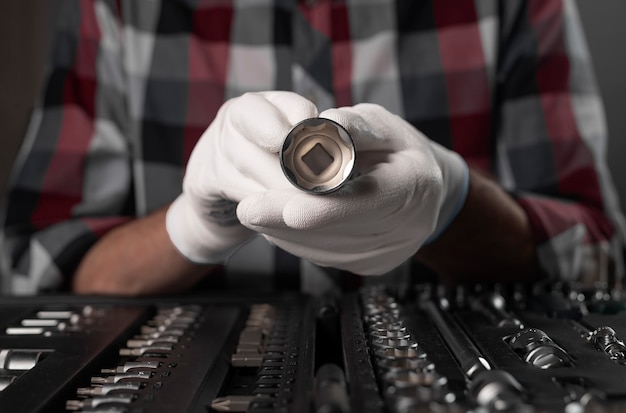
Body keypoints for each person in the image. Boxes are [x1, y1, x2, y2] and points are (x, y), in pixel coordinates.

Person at [1, 0, 624, 296]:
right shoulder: (118, 9)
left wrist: (451, 198)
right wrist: (192, 228)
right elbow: (36, 266)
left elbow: (598, 257)